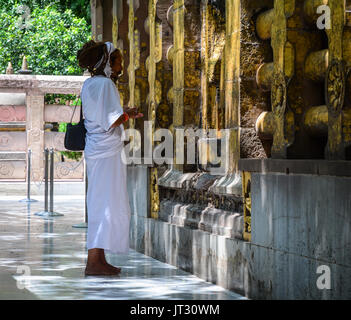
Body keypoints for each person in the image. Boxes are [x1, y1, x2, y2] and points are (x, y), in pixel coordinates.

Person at [77, 40, 143, 276]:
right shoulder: (105, 85)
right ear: (107, 62)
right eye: (118, 62)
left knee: (100, 204)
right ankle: (93, 261)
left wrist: (125, 113)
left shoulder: (89, 84)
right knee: (105, 204)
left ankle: (99, 258)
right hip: (107, 152)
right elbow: (112, 120)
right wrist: (128, 115)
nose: (121, 67)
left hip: (97, 149)